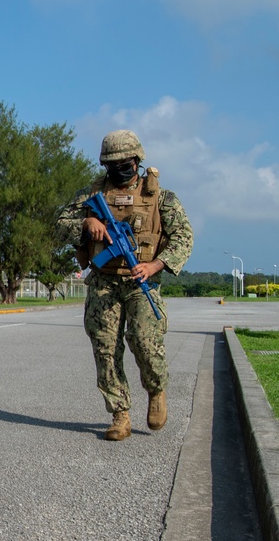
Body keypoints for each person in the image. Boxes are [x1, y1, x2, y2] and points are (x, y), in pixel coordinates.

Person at [55, 129, 193, 441]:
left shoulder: (161, 197)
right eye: (113, 164)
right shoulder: (91, 196)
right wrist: (85, 224)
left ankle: (156, 389)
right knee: (105, 349)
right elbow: (60, 225)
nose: (121, 168)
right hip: (104, 282)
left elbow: (184, 237)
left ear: (137, 160)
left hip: (142, 280)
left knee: (145, 342)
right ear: (105, 165)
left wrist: (155, 264)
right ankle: (120, 414)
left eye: (126, 162)